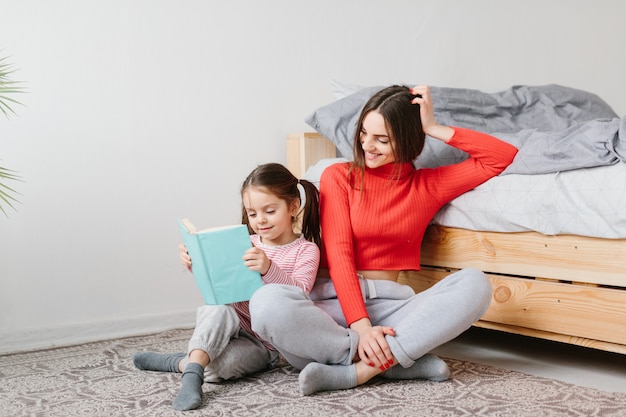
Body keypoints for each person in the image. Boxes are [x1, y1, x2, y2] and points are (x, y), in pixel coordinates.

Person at [249, 85, 519, 395]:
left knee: (475, 284)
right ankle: (395, 361)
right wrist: (361, 327)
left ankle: (361, 371)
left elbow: (501, 157)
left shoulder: (427, 186)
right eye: (364, 133)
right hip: (327, 310)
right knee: (267, 303)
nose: (367, 145)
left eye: (382, 139)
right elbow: (339, 253)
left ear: (407, 140)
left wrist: (433, 127)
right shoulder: (339, 177)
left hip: (391, 308)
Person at [133, 163, 321, 410]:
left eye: (270, 211)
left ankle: (184, 363)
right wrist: (196, 262)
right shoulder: (244, 241)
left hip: (263, 344)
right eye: (252, 214)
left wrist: (269, 268)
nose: (260, 221)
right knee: (217, 309)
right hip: (229, 318)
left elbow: (300, 295)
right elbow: (221, 280)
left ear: (293, 207)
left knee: (218, 369)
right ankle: (192, 378)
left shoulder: (306, 250)